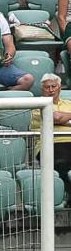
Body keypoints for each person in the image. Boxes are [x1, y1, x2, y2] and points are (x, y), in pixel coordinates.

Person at [31, 73, 71, 204]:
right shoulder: (38, 106)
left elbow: (59, 117)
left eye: (54, 86)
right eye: (47, 87)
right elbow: (56, 117)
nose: (51, 90)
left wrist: (63, 118)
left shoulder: (68, 103)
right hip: (51, 143)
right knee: (63, 162)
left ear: (60, 88)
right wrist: (66, 119)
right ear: (42, 89)